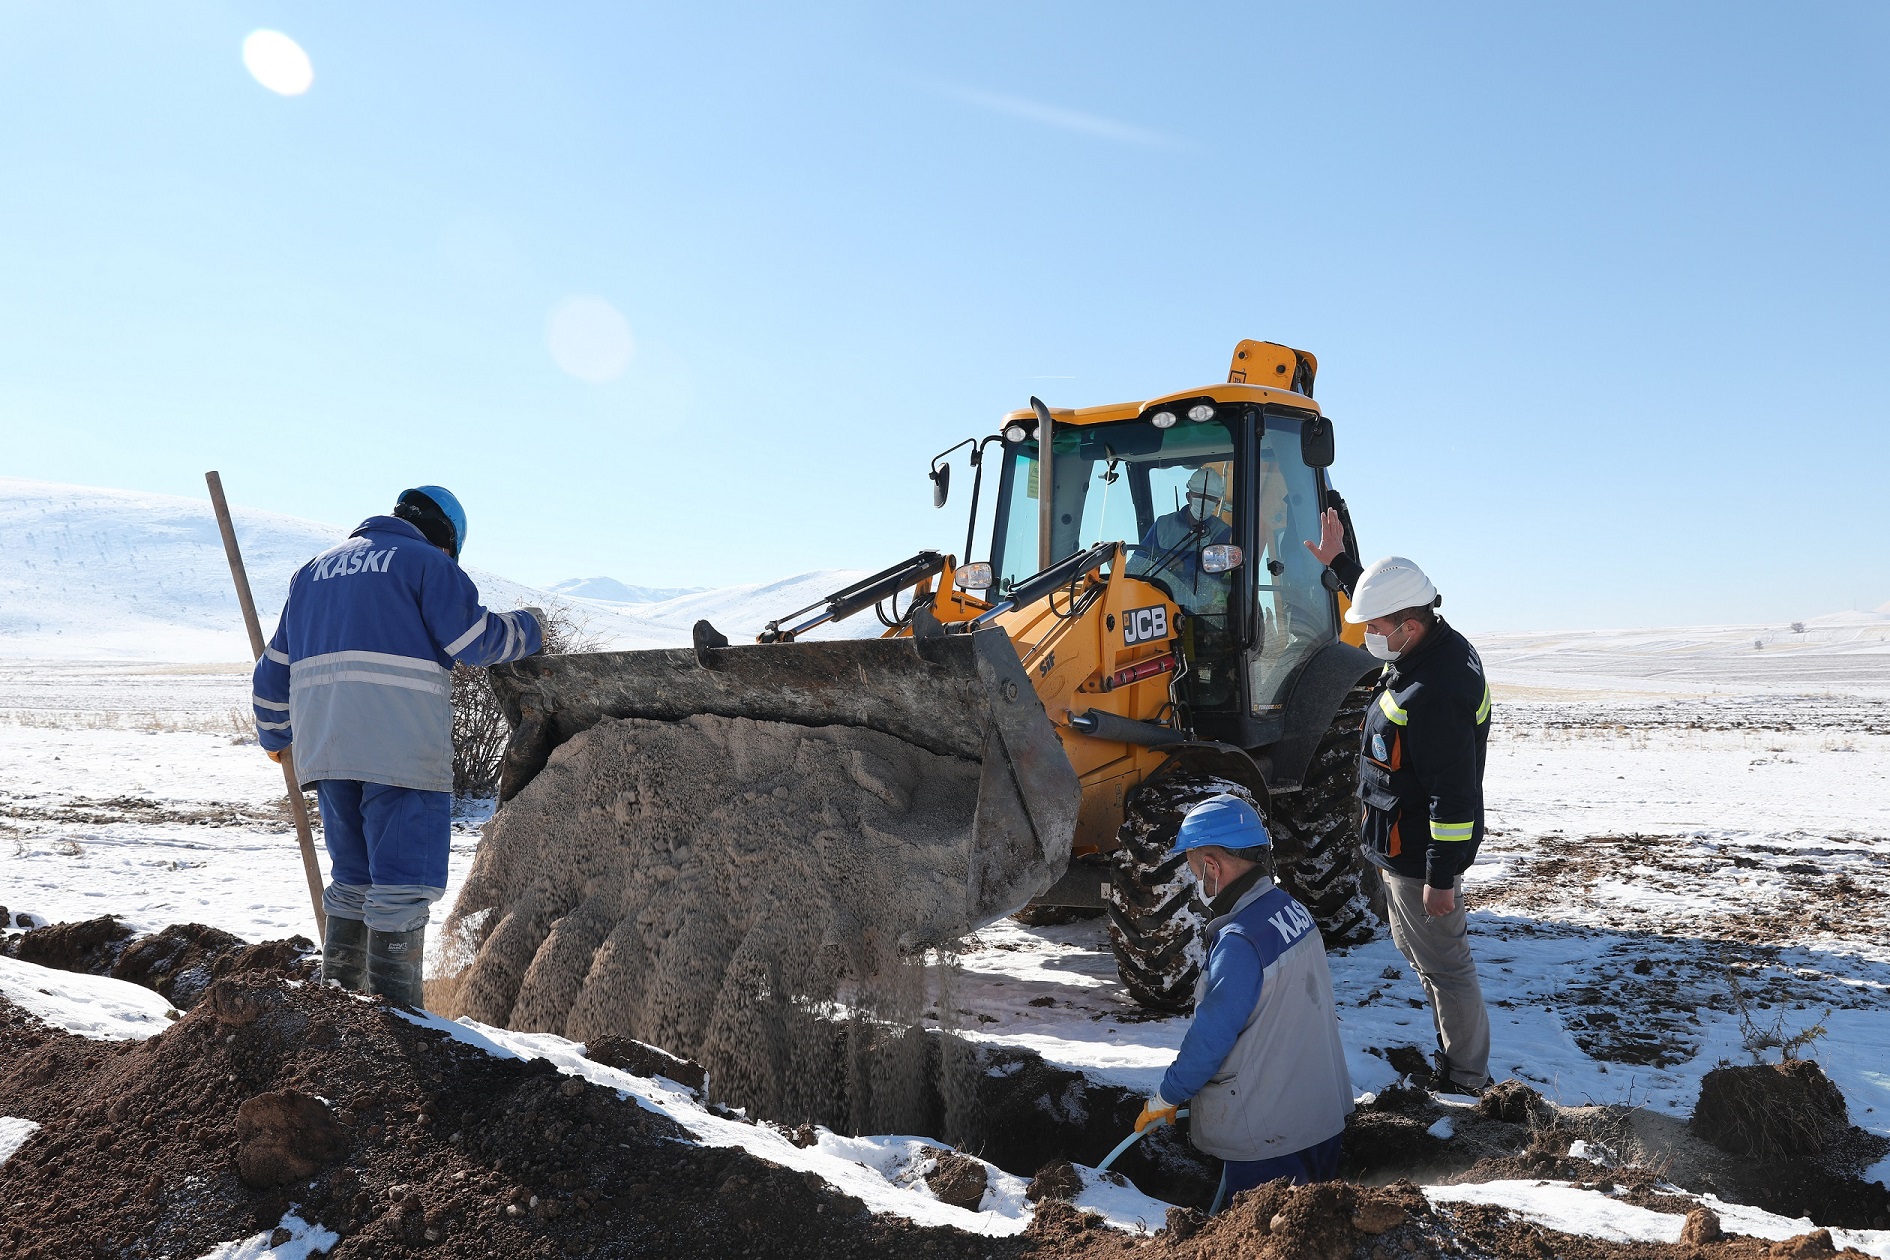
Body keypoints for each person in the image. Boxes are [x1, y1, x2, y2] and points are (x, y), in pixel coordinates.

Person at [251, 485, 543, 1008]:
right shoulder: (426, 564)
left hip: (328, 755)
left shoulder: (312, 573)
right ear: (446, 539)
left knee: (353, 880)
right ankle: (399, 1023)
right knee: (401, 887)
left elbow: (271, 675)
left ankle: (339, 1011)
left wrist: (277, 739)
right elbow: (476, 640)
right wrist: (530, 628)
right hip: (400, 753)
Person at [1304, 509, 1494, 1095]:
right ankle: (1456, 1064)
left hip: (1417, 853)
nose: (1369, 635)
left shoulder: (1436, 690)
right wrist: (1343, 566)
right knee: (1431, 963)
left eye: (1375, 626)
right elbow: (1388, 605)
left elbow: (1452, 795)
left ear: (1408, 626)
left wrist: (1440, 877)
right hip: (1400, 840)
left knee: (1446, 969)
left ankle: (1467, 1079)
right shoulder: (1427, 645)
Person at [1133, 794, 1354, 1203]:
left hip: (1269, 1140)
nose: (1195, 882)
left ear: (1213, 866)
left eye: (1195, 870)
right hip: (1321, 1119)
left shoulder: (1240, 941)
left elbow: (1211, 1037)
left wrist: (1167, 1096)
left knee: (1256, 1232)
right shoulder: (1292, 910)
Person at [1127, 465, 1233, 615]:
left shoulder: (1222, 532)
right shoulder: (1162, 525)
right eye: (1200, 496)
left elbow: (1212, 577)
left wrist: (1184, 567)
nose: (1204, 502)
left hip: (1200, 612)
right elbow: (1138, 562)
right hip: (1159, 606)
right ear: (1189, 496)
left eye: (1210, 499)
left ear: (1217, 503)